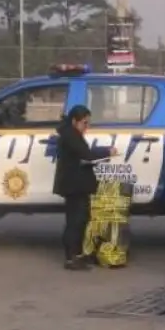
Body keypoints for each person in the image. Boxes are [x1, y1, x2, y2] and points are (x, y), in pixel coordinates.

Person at [53, 105, 116, 271]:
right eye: (84, 123)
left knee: (79, 219)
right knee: (75, 221)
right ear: (75, 121)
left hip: (76, 184)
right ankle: (72, 257)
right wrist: (107, 152)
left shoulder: (71, 134)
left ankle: (77, 255)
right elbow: (86, 155)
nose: (87, 127)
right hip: (74, 185)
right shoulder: (71, 136)